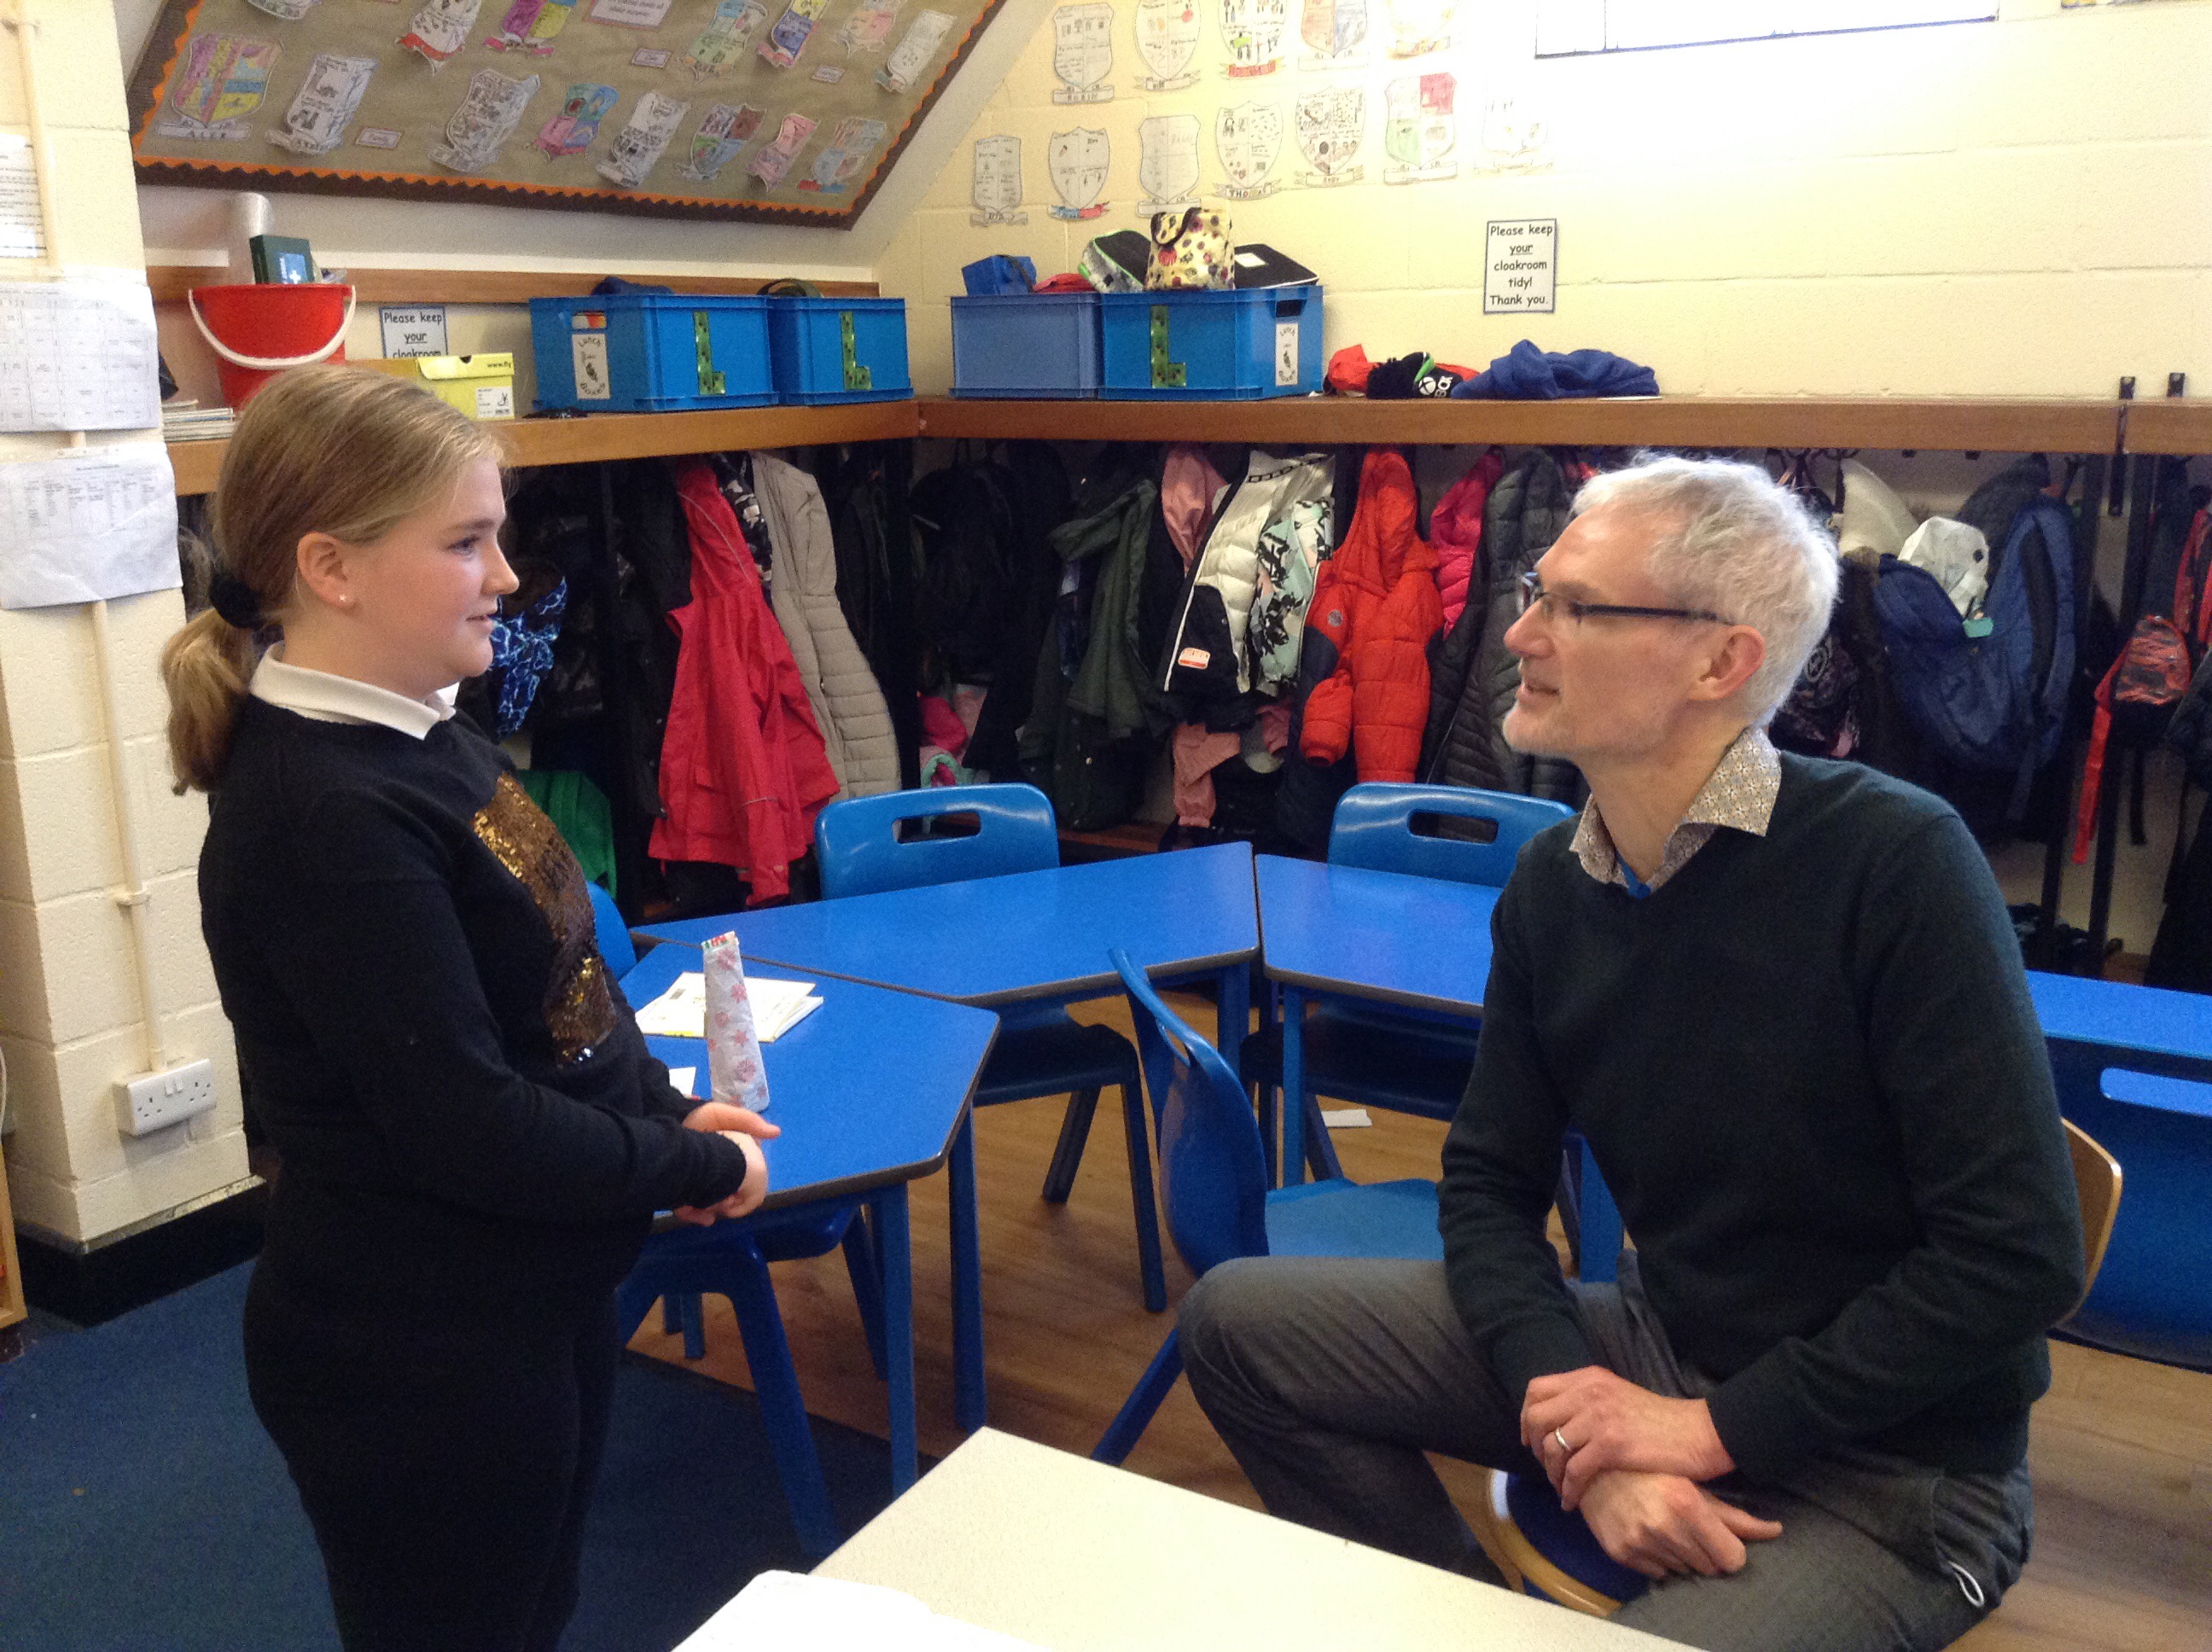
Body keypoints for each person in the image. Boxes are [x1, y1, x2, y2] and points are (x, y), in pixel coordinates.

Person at [1179, 455, 2087, 1652]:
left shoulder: (1896, 863)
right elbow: (1487, 1187)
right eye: (1535, 594)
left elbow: (2017, 1257)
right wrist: (1589, 1445)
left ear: (1722, 663)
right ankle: (1462, 1616)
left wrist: (1706, 1436)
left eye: (1575, 606)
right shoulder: (1555, 888)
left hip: (1896, 1475)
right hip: (1664, 1355)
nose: (1519, 633)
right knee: (1235, 1325)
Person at [162, 364, 772, 1652]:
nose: (505, 576)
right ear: (330, 568)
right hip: (416, 1346)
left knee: (529, 1615)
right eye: (465, 543)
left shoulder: (423, 733)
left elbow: (562, 975)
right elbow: (467, 1122)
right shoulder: (324, 817)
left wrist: (665, 1110)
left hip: (529, 1294)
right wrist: (692, 1165)